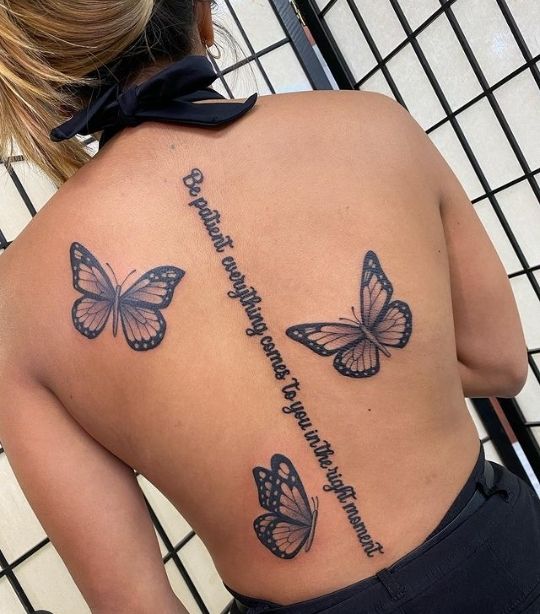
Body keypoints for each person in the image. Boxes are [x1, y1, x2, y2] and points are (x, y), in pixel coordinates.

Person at [0, 1, 538, 613]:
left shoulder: (16, 301)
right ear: (202, 15)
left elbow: (135, 604)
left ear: (45, 81)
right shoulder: (372, 127)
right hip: (506, 563)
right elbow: (500, 362)